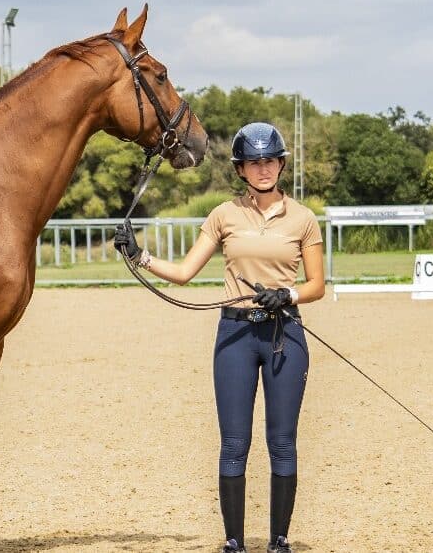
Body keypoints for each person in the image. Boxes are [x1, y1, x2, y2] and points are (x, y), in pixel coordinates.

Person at [115, 122, 325, 553]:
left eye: (270, 160)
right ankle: (234, 543)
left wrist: (286, 293)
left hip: (285, 333)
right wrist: (141, 256)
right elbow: (185, 273)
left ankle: (279, 542)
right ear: (241, 169)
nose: (263, 169)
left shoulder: (303, 218)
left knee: (282, 442)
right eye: (254, 162)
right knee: (234, 443)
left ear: (281, 164)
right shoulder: (224, 215)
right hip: (235, 335)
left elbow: (318, 285)